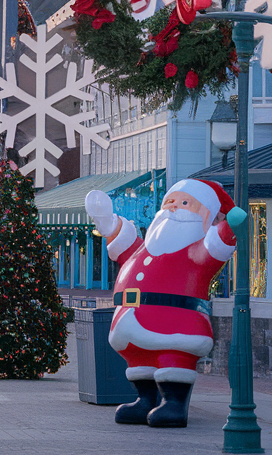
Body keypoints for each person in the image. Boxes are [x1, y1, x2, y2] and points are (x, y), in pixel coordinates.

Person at [84, 179, 245, 428]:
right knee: (140, 362)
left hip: (177, 320)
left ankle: (174, 404)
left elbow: (218, 244)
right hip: (132, 319)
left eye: (184, 203)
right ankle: (145, 400)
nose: (173, 207)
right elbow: (125, 244)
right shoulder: (146, 247)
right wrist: (107, 222)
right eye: (169, 201)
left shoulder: (195, 250)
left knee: (173, 359)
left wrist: (230, 225)